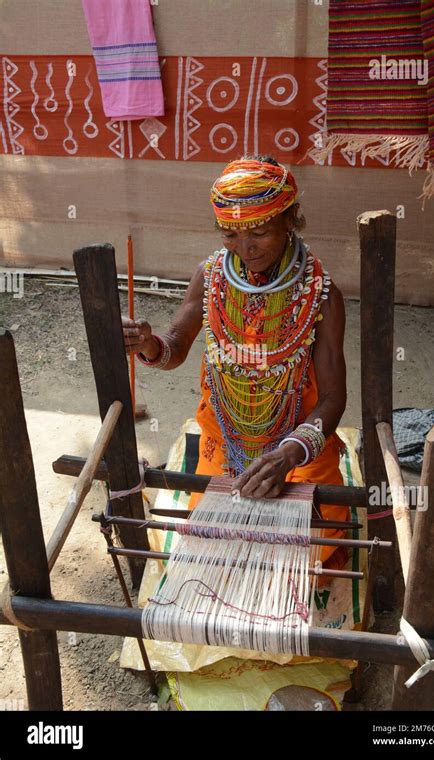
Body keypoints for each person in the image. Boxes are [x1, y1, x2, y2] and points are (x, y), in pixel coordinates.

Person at [123, 155, 349, 573]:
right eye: (230, 234)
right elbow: (174, 346)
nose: (245, 249)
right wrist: (148, 344)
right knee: (214, 544)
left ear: (290, 219)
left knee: (312, 548)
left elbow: (334, 398)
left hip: (296, 447)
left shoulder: (320, 294)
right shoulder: (210, 277)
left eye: (260, 232)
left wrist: (288, 454)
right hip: (225, 441)